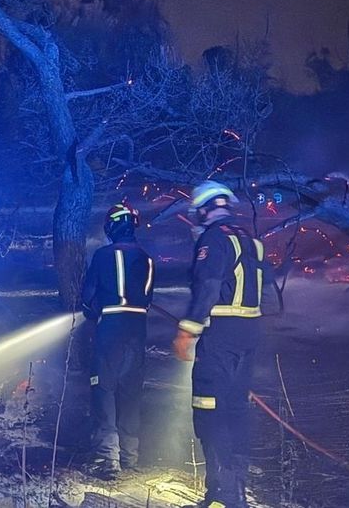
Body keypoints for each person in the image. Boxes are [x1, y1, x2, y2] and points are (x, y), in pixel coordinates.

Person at [173, 181, 275, 508]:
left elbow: (209, 285)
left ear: (203, 209)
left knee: (209, 411)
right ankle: (235, 492)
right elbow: (263, 287)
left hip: (219, 335)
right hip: (249, 334)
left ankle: (223, 496)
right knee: (234, 411)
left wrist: (187, 331)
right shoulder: (251, 240)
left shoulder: (213, 238)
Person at [79, 203, 154, 480]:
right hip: (138, 329)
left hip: (110, 327)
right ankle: (130, 456)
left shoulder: (102, 255)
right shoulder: (147, 259)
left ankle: (107, 458)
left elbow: (88, 296)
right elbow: (148, 298)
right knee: (131, 392)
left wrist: (91, 311)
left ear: (111, 226)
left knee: (104, 389)